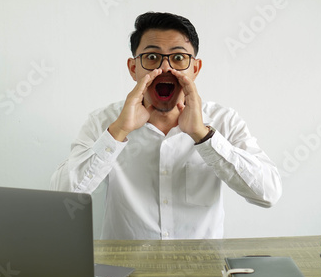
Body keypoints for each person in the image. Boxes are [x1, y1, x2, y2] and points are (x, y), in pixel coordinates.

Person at [50, 12, 282, 240]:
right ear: (133, 68)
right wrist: (118, 132)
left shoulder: (224, 120)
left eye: (178, 58)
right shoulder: (103, 121)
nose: (165, 68)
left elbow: (268, 194)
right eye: (152, 57)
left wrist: (203, 136)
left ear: (196, 68)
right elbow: (61, 200)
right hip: (125, 270)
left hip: (201, 269)